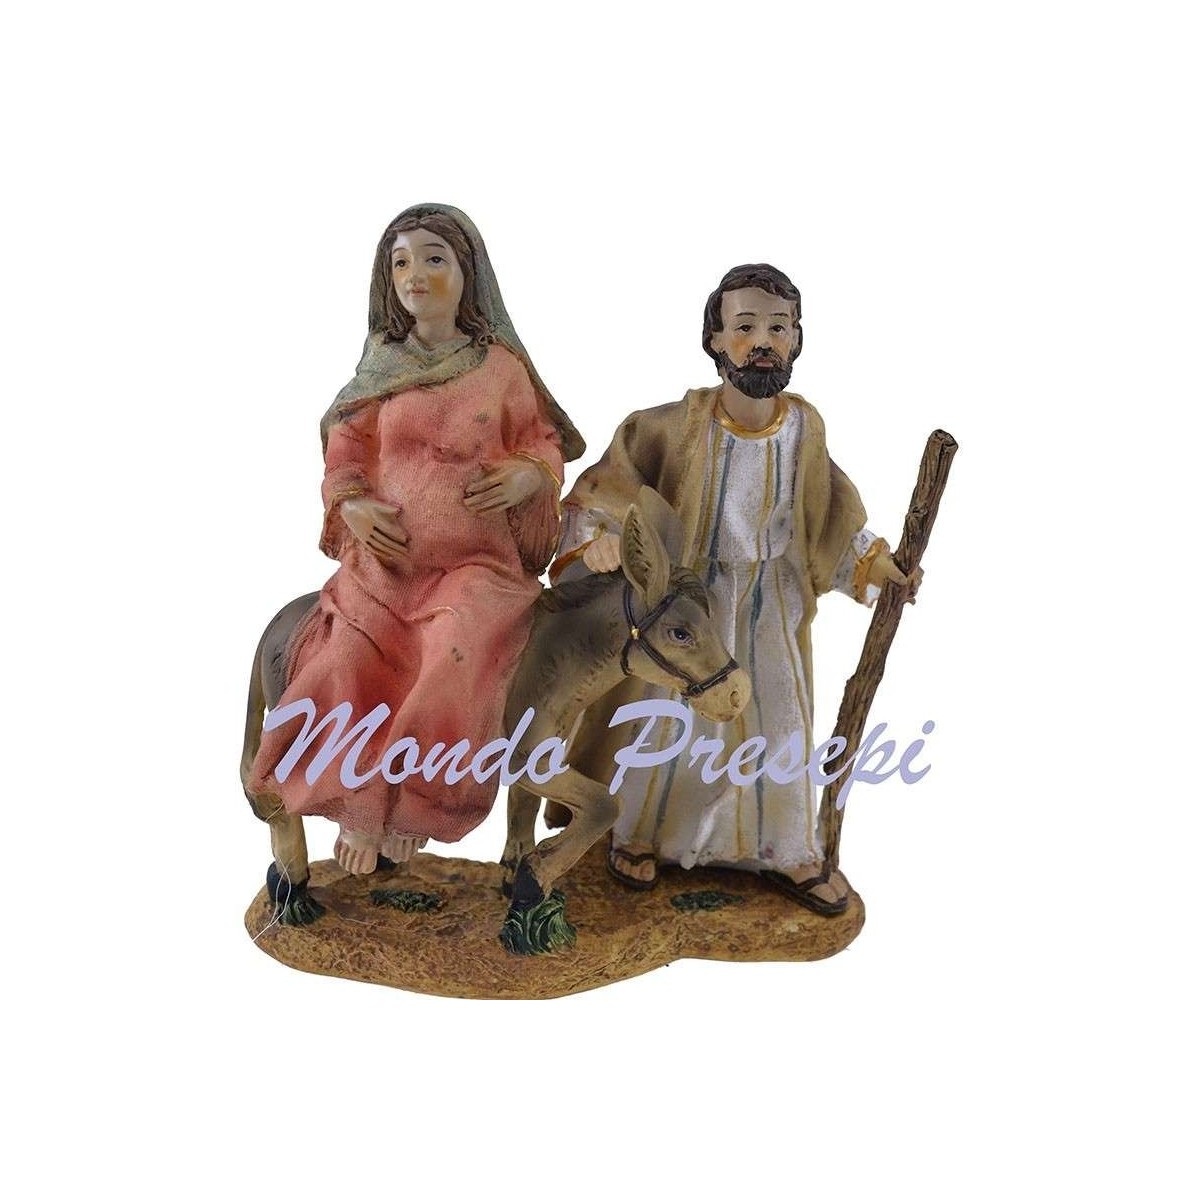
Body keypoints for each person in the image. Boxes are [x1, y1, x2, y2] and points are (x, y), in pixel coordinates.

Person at [552, 263, 909, 914]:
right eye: (745, 327)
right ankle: (641, 835)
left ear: (796, 339)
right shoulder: (671, 426)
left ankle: (788, 849)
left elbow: (829, 512)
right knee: (668, 720)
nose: (762, 341)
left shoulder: (803, 429)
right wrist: (599, 537)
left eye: (778, 327)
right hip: (687, 602)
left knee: (779, 719)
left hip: (771, 604)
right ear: (715, 339)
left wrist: (872, 564)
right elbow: (607, 492)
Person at [249, 204, 584, 875]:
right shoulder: (382, 366)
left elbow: (544, 439)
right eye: (400, 261)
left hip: (476, 565)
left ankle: (417, 807)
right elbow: (345, 450)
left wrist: (530, 473)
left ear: (468, 272)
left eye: (434, 258)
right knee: (346, 657)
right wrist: (351, 505)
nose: (415, 274)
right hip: (385, 567)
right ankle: (356, 804)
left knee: (454, 653)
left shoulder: (500, 369)